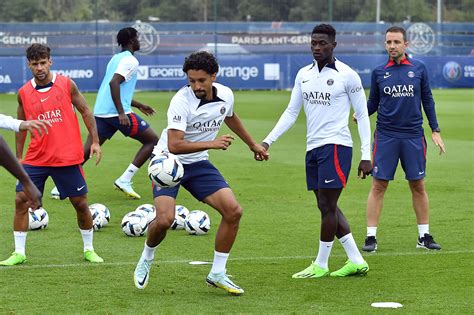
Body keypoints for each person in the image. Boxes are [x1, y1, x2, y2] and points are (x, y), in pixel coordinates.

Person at [133, 51, 268, 294]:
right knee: (165, 220)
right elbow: (175, 144)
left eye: (201, 80)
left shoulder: (225, 94)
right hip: (168, 161)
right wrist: (212, 143)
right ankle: (147, 256)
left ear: (213, 76)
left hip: (197, 162)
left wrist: (252, 144)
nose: (195, 85)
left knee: (233, 211)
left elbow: (230, 116)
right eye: (191, 80)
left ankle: (217, 273)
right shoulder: (181, 101)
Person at [262, 24, 371, 278]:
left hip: (336, 145)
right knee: (325, 206)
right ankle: (356, 260)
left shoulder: (348, 75)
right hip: (312, 147)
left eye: (322, 43)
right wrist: (268, 141)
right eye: (313, 43)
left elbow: (363, 115)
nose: (317, 48)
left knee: (328, 204)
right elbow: (291, 112)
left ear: (334, 45)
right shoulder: (303, 74)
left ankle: (321, 264)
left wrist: (367, 155)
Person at [0, 43, 104, 266]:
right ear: (29, 65)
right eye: (35, 64)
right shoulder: (23, 93)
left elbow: (86, 111)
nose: (40, 68)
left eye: (43, 63)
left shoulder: (67, 85)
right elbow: (21, 126)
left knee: (80, 204)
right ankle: (19, 253)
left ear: (50, 62)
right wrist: (19, 157)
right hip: (36, 159)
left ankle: (89, 249)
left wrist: (95, 141)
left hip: (66, 158)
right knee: (20, 201)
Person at [361, 26, 445, 252]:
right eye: (388, 42)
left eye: (396, 42)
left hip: (413, 136)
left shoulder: (419, 69)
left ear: (406, 45)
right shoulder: (379, 72)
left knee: (418, 185)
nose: (392, 46)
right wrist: (359, 113)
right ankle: (371, 237)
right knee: (378, 185)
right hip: (386, 136)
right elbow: (373, 103)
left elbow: (427, 99)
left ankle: (423, 236)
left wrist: (434, 130)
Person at [50, 27, 159, 200]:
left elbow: (115, 88)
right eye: (137, 38)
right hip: (116, 114)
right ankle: (125, 179)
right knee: (153, 141)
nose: (139, 41)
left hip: (101, 112)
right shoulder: (131, 61)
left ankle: (61, 186)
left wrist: (138, 104)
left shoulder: (115, 59)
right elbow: (114, 84)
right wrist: (122, 113)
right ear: (131, 40)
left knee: (86, 150)